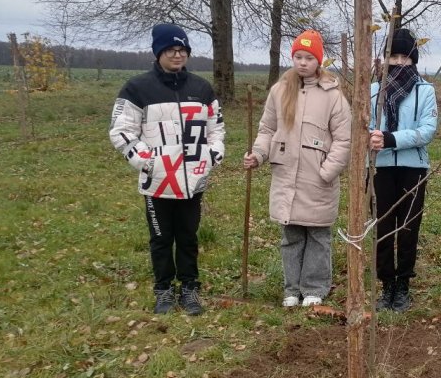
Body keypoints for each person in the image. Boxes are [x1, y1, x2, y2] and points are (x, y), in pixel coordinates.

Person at [109, 23, 226, 316]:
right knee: (161, 239)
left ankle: (189, 289)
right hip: (158, 182)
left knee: (188, 237)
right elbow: (121, 132)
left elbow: (217, 130)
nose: (178, 55)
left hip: (193, 181)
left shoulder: (201, 88)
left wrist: (212, 156)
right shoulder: (137, 88)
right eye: (171, 49)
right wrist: (148, 162)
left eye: (183, 49)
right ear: (159, 52)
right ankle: (163, 290)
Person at [243, 30, 351, 308]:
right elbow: (267, 129)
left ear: (319, 60)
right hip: (286, 176)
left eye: (309, 57)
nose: (302, 63)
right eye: (298, 57)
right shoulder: (279, 91)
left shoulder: (333, 95)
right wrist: (258, 154)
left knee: (317, 235)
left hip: (318, 179)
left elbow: (344, 139)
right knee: (291, 237)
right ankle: (291, 288)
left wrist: (327, 171)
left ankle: (314, 288)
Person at [369, 28, 438, 312]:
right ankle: (387, 285)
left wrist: (391, 139)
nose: (398, 62)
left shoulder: (426, 91)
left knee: (408, 228)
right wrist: (370, 137)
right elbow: (363, 124)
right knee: (383, 227)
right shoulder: (373, 90)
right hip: (380, 168)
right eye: (392, 56)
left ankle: (403, 285)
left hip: (413, 168)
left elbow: (427, 130)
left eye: (404, 57)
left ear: (413, 60)